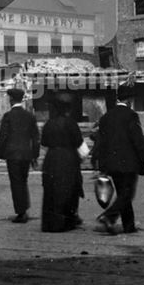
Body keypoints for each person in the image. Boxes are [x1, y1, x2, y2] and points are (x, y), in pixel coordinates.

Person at [94, 85, 144, 235]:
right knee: (127, 194)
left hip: (112, 163)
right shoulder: (131, 115)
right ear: (130, 100)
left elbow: (101, 143)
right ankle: (108, 217)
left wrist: (102, 165)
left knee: (122, 194)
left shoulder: (106, 117)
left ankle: (129, 226)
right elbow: (137, 140)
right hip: (129, 162)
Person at [0, 87, 40, 223]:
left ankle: (21, 212)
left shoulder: (8, 116)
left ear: (11, 100)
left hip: (12, 155)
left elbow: (3, 137)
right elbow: (35, 137)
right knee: (23, 181)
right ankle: (24, 208)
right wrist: (34, 156)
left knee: (16, 183)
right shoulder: (30, 116)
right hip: (26, 154)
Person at [39, 93, 85, 232]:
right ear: (67, 109)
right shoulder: (71, 123)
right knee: (68, 189)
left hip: (52, 158)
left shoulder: (49, 123)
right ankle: (67, 221)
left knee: (51, 191)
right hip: (68, 158)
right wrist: (83, 156)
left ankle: (50, 223)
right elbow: (79, 142)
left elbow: (44, 142)